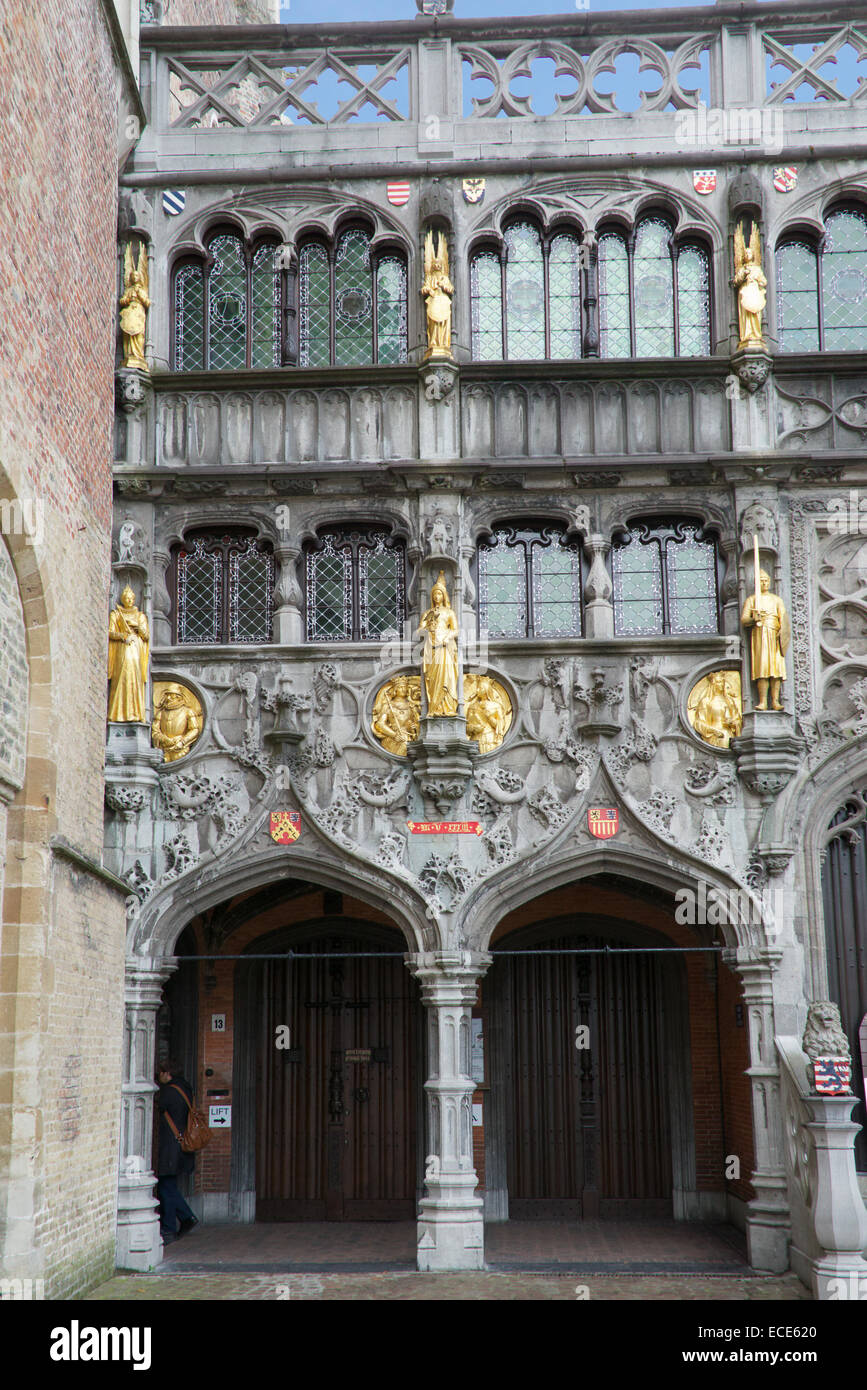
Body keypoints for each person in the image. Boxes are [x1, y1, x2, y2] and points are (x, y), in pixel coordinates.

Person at [155, 1059, 199, 1244]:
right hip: (182, 1144)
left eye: (161, 1073)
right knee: (169, 1186)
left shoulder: (168, 1092)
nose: (159, 1076)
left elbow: (157, 1108)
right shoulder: (186, 1089)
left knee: (166, 1187)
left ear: (168, 1074)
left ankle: (169, 1228)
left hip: (170, 1146)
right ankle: (187, 1218)